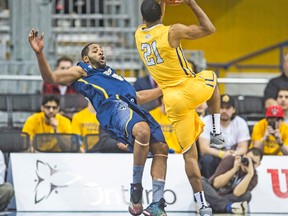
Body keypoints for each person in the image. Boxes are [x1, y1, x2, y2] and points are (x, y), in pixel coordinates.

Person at [28, 29, 169, 216]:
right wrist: (39, 53)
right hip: (112, 109)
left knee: (162, 147)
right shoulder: (82, 70)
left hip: (132, 107)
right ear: (86, 58)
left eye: (101, 49)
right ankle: (136, 191)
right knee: (142, 131)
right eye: (95, 50)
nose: (100, 51)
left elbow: (137, 96)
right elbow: (51, 78)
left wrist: (163, 89)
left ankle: (157, 204)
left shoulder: (114, 74)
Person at [135, 1, 224, 215]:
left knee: (189, 155)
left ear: (143, 16)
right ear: (161, 12)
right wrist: (190, 2)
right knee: (212, 80)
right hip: (188, 87)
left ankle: (202, 203)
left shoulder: (139, 34)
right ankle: (216, 131)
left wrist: (162, 2)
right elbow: (209, 29)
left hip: (171, 100)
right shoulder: (172, 31)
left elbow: (155, 16)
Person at [198, 94, 250, 178]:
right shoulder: (207, 121)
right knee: (206, 160)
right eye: (221, 107)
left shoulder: (240, 122)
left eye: (227, 108)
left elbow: (243, 148)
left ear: (234, 109)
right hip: (215, 155)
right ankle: (209, 186)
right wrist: (222, 154)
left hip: (233, 155)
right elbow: (203, 149)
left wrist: (232, 154)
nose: (224, 111)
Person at [202, 148, 263, 214]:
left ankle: (216, 206)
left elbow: (236, 193)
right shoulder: (231, 160)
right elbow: (216, 184)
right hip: (213, 193)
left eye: (253, 163)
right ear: (244, 155)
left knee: (247, 196)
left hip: (227, 198)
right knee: (200, 181)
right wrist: (234, 169)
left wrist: (249, 174)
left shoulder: (253, 177)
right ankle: (225, 207)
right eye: (249, 159)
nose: (250, 163)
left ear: (258, 165)